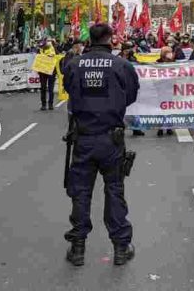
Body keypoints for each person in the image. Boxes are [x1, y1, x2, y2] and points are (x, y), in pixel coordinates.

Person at [61, 23, 139, 267]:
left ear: (89, 39)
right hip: (110, 138)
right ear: (110, 39)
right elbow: (131, 95)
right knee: (114, 190)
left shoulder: (74, 64)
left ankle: (78, 248)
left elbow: (69, 89)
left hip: (83, 137)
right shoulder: (122, 65)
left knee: (81, 192)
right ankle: (121, 247)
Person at [156, 46, 175, 137]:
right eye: (168, 52)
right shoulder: (157, 63)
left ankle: (168, 127)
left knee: (169, 108)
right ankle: (161, 127)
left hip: (170, 88)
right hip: (161, 89)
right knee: (162, 108)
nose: (170, 54)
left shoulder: (174, 63)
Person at [38, 39, 57, 111]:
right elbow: (37, 59)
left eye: (43, 46)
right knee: (43, 88)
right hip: (43, 71)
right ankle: (44, 104)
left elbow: (57, 57)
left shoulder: (53, 49)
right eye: (41, 46)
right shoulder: (40, 50)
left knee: (50, 88)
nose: (42, 47)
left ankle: (50, 104)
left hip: (51, 70)